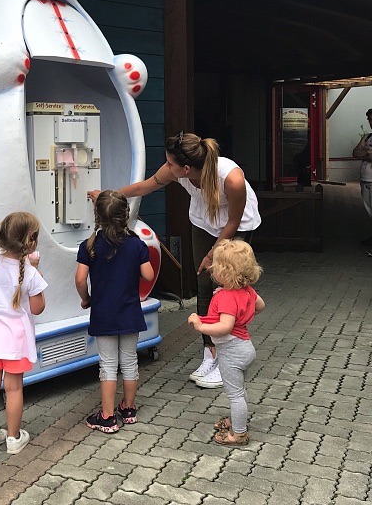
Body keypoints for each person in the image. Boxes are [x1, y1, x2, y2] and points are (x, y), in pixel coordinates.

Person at [88, 131, 261, 389]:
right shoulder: (177, 170)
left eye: (170, 164)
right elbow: (145, 186)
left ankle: (231, 354)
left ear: (187, 168)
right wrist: (109, 196)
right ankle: (210, 352)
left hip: (235, 226)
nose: (166, 167)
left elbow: (233, 222)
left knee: (227, 286)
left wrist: (213, 252)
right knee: (204, 283)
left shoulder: (232, 179)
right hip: (204, 222)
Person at [75, 190, 154, 433]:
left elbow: (80, 279)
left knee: (108, 365)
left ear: (97, 217)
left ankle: (107, 417)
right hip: (130, 312)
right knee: (130, 362)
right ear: (126, 215)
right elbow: (149, 275)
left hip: (104, 313)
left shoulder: (89, 246)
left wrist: (86, 299)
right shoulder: (136, 244)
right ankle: (129, 409)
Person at [0, 211, 47, 454]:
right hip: (15, 341)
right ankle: (13, 438)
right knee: (14, 389)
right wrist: (37, 271)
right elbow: (38, 308)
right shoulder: (30, 273)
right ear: (30, 240)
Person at [187, 239, 265, 446]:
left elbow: (224, 327)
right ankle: (237, 420)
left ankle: (238, 433)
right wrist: (246, 314)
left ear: (224, 272)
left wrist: (200, 326)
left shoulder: (226, 297)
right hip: (244, 347)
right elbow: (260, 305)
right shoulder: (247, 290)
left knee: (235, 394)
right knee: (239, 390)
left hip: (232, 351)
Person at [352, 108, 372, 250]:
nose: (371, 122)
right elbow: (355, 152)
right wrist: (368, 153)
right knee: (369, 211)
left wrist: (364, 154)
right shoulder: (367, 137)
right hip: (365, 179)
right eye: (369, 119)